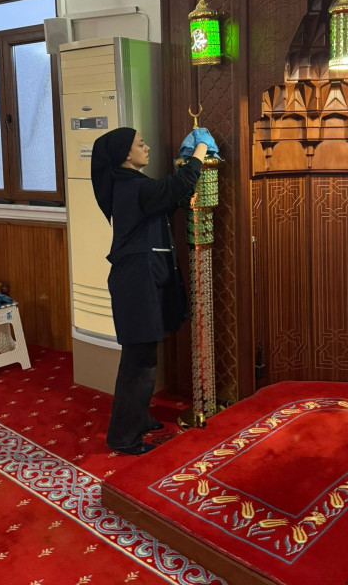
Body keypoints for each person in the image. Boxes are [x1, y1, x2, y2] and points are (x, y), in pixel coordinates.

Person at [91, 126, 208, 455]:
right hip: (135, 283)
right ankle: (124, 437)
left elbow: (166, 199)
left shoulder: (130, 185)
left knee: (144, 357)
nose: (147, 148)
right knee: (138, 363)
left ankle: (139, 418)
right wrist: (200, 150)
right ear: (125, 155)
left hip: (139, 280)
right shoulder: (132, 187)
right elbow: (178, 185)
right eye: (141, 144)